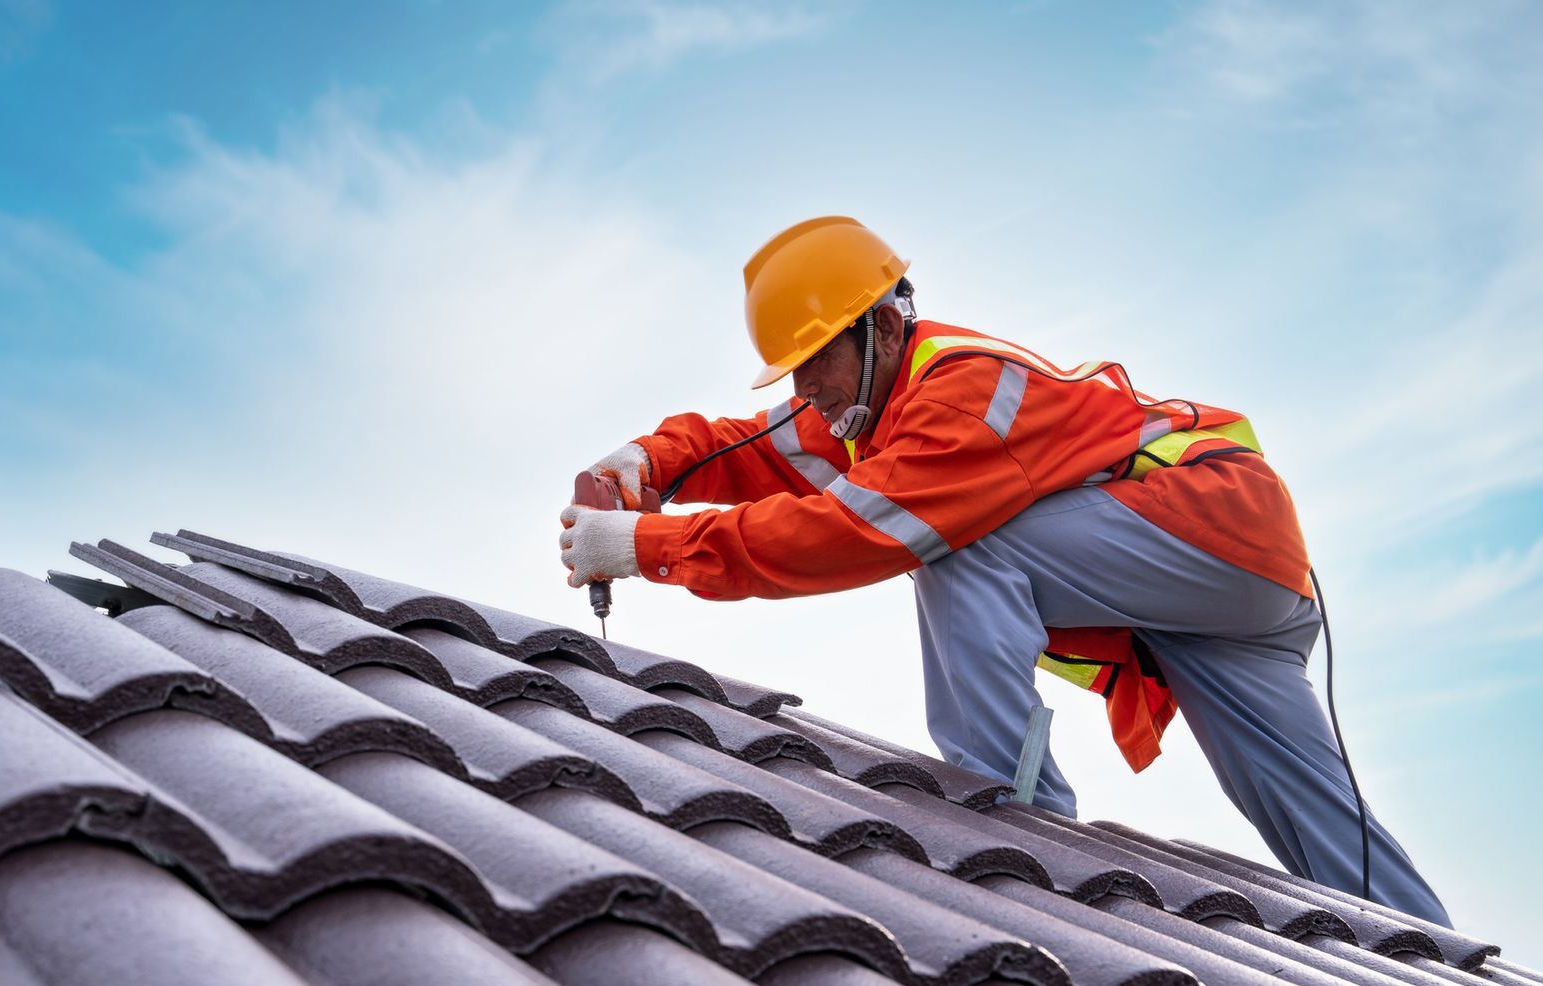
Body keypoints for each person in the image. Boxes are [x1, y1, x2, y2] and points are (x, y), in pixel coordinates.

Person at [559, 215, 1450, 925]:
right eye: (790, 371)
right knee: (1323, 823)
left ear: (880, 323)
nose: (804, 391)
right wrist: (651, 459)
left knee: (951, 537)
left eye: (814, 361)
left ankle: (1017, 827)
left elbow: (856, 532)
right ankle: (1435, 972)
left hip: (1207, 526)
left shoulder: (959, 395)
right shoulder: (880, 399)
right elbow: (751, 448)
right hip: (1229, 588)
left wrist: (648, 547)